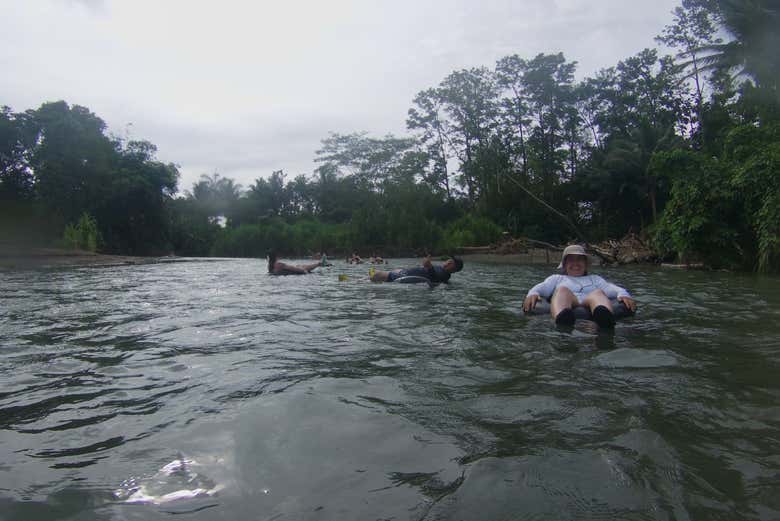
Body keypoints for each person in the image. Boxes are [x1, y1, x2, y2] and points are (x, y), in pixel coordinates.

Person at [522, 244, 636, 327]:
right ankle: (562, 319)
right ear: (565, 264)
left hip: (590, 301)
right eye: (571, 260)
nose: (575, 264)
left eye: (579, 260)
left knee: (598, 293)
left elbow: (611, 288)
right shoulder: (557, 278)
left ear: (585, 264)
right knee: (562, 290)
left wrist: (623, 294)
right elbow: (542, 287)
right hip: (568, 301)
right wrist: (532, 293)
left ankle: (604, 318)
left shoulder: (595, 279)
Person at [370, 255, 464, 284]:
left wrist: (430, 267)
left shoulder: (445, 275)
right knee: (373, 272)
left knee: (375, 273)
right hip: (404, 272)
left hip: (404, 276)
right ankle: (367, 279)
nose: (448, 262)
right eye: (449, 260)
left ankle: (364, 281)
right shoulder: (442, 270)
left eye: (452, 263)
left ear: (455, 270)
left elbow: (435, 279)